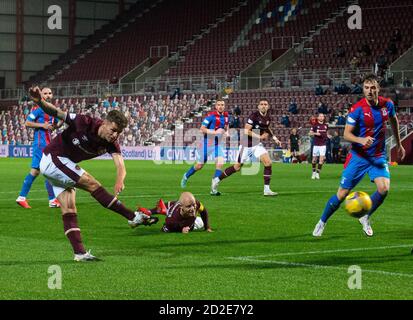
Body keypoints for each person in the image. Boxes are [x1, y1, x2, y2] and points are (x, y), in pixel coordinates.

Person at [28, 86, 151, 262]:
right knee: (93, 184)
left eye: (119, 133)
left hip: (61, 166)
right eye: (113, 130)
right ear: (106, 122)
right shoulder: (85, 122)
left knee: (69, 209)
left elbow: (121, 165)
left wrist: (119, 180)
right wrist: (39, 101)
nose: (115, 135)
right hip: (53, 157)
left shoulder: (111, 143)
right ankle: (132, 217)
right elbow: (57, 112)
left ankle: (79, 253)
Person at [312, 74, 406, 237]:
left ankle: (365, 216)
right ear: (363, 89)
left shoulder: (387, 105)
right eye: (366, 88)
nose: (370, 91)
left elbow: (394, 121)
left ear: (378, 88)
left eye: (373, 87)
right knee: (341, 194)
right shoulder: (357, 109)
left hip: (378, 156)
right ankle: (322, 221)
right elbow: (347, 135)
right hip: (359, 157)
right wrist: (361, 140)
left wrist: (399, 144)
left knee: (383, 189)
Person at [211, 98, 281, 196]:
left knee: (268, 162)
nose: (263, 105)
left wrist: (274, 138)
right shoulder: (254, 116)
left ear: (268, 106)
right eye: (261, 104)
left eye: (265, 104)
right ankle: (216, 179)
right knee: (237, 167)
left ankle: (267, 190)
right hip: (246, 145)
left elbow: (267, 128)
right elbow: (246, 130)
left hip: (257, 144)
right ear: (258, 106)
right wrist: (260, 136)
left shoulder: (268, 117)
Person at [16, 87, 62, 209]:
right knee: (48, 171)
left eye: (50, 93)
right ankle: (52, 200)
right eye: (45, 93)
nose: (48, 95)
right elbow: (27, 123)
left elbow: (54, 126)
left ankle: (21, 197)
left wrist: (60, 124)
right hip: (41, 144)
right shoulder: (38, 109)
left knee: (35, 171)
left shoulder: (53, 110)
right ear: (41, 95)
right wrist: (43, 125)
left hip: (47, 143)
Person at [181, 99, 228, 195]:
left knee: (220, 163)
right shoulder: (210, 116)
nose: (220, 106)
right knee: (199, 166)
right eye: (218, 104)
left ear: (224, 106)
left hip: (217, 144)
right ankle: (186, 176)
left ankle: (214, 189)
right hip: (207, 144)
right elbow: (202, 129)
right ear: (216, 106)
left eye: (222, 105)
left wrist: (226, 132)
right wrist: (215, 132)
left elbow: (226, 127)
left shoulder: (226, 116)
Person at [140, 192, 212, 233]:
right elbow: (164, 229)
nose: (192, 208)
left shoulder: (197, 204)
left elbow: (204, 211)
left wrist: (207, 228)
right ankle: (142, 217)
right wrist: (181, 230)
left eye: (193, 205)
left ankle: (148, 212)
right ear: (181, 207)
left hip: (185, 217)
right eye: (188, 206)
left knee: (201, 222)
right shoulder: (171, 220)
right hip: (174, 220)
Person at [309, 113, 329, 179]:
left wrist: (328, 136)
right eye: (320, 116)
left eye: (322, 116)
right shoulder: (315, 125)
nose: (321, 117)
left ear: (323, 117)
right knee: (314, 160)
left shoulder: (326, 125)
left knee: (321, 160)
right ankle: (313, 172)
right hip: (316, 145)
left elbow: (326, 133)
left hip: (323, 145)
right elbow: (310, 133)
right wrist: (315, 133)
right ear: (318, 118)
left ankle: (317, 173)